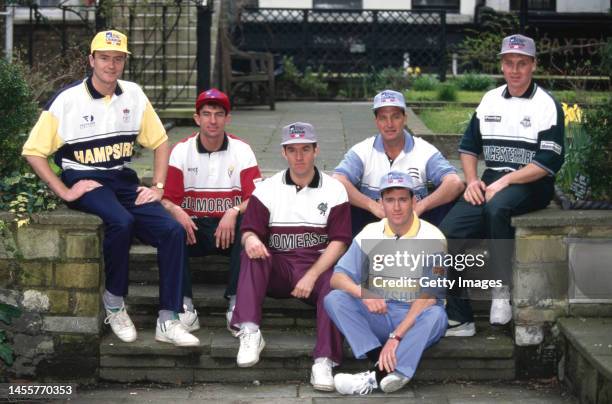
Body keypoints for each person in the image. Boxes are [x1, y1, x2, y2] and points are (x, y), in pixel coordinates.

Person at [21, 30, 199, 347]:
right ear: (91, 60)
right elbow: (34, 151)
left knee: (171, 230)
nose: (111, 65)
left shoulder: (133, 94)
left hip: (121, 178)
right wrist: (63, 190)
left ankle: (168, 318)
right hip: (84, 178)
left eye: (118, 59)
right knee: (122, 222)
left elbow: (160, 141)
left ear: (124, 62)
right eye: (104, 57)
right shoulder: (67, 100)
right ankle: (115, 302)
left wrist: (158, 187)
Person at [440, 34, 565, 337]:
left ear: (533, 65)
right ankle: (460, 317)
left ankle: (500, 291)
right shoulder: (490, 100)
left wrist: (506, 180)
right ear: (502, 65)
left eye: (522, 63)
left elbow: (547, 162)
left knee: (497, 207)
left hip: (533, 182)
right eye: (509, 63)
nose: (515, 69)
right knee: (447, 233)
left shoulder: (547, 105)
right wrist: (471, 182)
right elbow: (469, 148)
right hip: (491, 179)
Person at [229, 122, 352, 391]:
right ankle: (249, 330)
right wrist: (250, 239)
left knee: (336, 285)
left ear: (316, 150)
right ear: (283, 153)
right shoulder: (267, 189)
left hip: (317, 268)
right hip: (280, 269)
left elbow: (340, 242)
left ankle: (324, 360)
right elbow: (249, 231)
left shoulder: (334, 189)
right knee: (252, 253)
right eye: (292, 150)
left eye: (305, 149)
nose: (299, 156)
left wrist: (312, 275)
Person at [324, 171, 448, 395]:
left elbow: (429, 297)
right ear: (381, 203)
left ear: (414, 201)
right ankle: (382, 364)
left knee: (437, 316)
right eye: (390, 200)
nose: (397, 207)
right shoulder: (370, 232)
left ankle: (376, 376)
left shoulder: (433, 237)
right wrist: (364, 293)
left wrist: (396, 337)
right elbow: (337, 278)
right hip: (380, 312)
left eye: (403, 199)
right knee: (335, 299)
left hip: (413, 316)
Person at [161, 88, 262, 335]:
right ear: (197, 119)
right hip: (194, 230)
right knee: (170, 228)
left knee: (249, 223)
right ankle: (183, 306)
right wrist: (177, 210)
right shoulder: (181, 151)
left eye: (218, 114)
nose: (213, 120)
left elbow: (258, 197)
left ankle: (237, 303)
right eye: (206, 114)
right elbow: (165, 200)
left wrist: (233, 211)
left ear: (227, 118)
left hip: (229, 232)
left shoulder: (242, 150)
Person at [333, 89, 464, 236]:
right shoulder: (362, 150)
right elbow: (337, 180)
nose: (389, 124)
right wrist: (371, 205)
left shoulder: (424, 150)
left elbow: (455, 183)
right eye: (383, 118)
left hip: (414, 225)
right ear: (376, 121)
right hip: (372, 226)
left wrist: (421, 206)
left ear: (405, 118)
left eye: (395, 117)